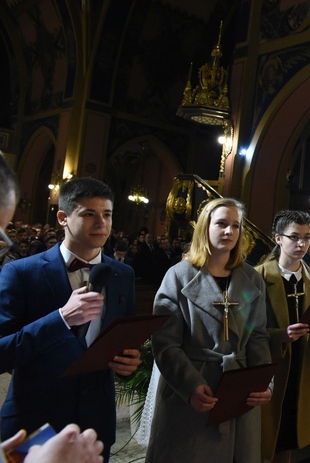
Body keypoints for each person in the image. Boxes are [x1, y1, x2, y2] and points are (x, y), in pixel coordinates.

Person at [0, 177, 140, 461]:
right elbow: (2, 353)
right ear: (63, 217)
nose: (101, 223)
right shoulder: (21, 273)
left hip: (95, 425)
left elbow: (122, 338)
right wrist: (61, 318)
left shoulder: (123, 275)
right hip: (33, 423)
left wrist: (130, 364)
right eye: (89, 214)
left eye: (107, 214)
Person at [146, 198, 272, 462]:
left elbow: (258, 336)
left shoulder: (252, 278)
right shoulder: (178, 276)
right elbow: (166, 343)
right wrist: (191, 385)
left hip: (239, 390)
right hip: (192, 390)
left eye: (235, 226)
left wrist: (263, 383)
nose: (229, 232)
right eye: (222, 224)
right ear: (205, 226)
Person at [257, 210, 310, 463]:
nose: (302, 244)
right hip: (269, 370)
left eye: (307, 237)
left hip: (301, 369)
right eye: (294, 237)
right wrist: (280, 335)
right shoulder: (258, 276)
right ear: (278, 238)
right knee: (261, 438)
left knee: (288, 435)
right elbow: (244, 329)